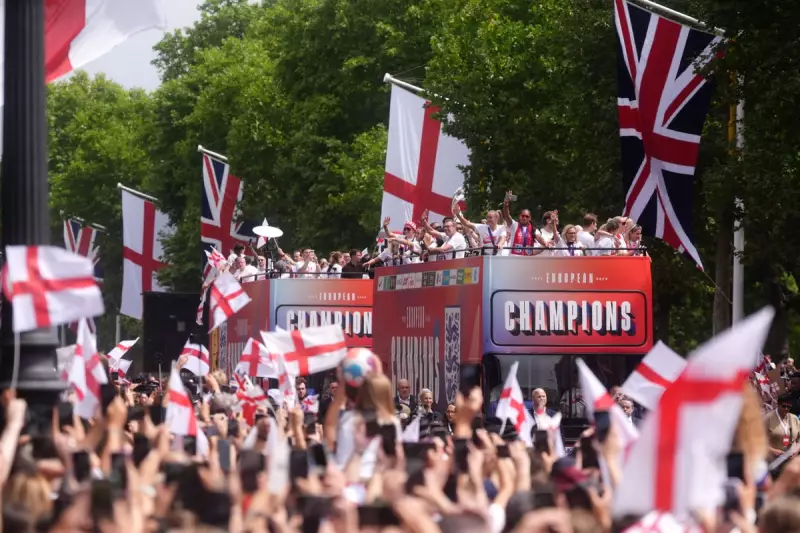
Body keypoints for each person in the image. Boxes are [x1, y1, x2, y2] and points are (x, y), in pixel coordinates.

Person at [501, 190, 550, 256]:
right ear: (519, 216)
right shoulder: (514, 225)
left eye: (527, 216)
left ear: (530, 218)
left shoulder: (533, 228)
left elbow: (539, 237)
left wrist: (545, 243)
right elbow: (507, 216)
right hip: (514, 258)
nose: (524, 218)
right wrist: (506, 204)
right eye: (523, 216)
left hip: (527, 259)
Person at [766, 394, 800, 459]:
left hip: (792, 458)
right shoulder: (768, 419)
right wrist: (773, 451)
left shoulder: (794, 418)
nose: (786, 409)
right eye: (784, 406)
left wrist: (797, 450)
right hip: (775, 460)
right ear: (778, 405)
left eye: (789, 407)